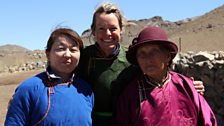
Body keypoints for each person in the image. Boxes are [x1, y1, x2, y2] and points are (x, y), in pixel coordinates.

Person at [78, 2, 205, 126]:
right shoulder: (82, 58)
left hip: (131, 118)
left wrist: (188, 86)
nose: (108, 34)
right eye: (101, 28)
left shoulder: (132, 58)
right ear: (93, 31)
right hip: (92, 121)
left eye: (113, 28)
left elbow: (158, 72)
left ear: (121, 30)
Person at [113, 26, 217, 126]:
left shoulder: (187, 87)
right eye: (142, 54)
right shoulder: (131, 95)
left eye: (154, 52)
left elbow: (207, 121)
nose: (147, 59)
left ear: (167, 56)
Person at [5, 28, 94, 126]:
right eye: (61, 49)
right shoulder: (29, 89)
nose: (68, 54)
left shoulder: (85, 89)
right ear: (48, 53)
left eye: (73, 50)